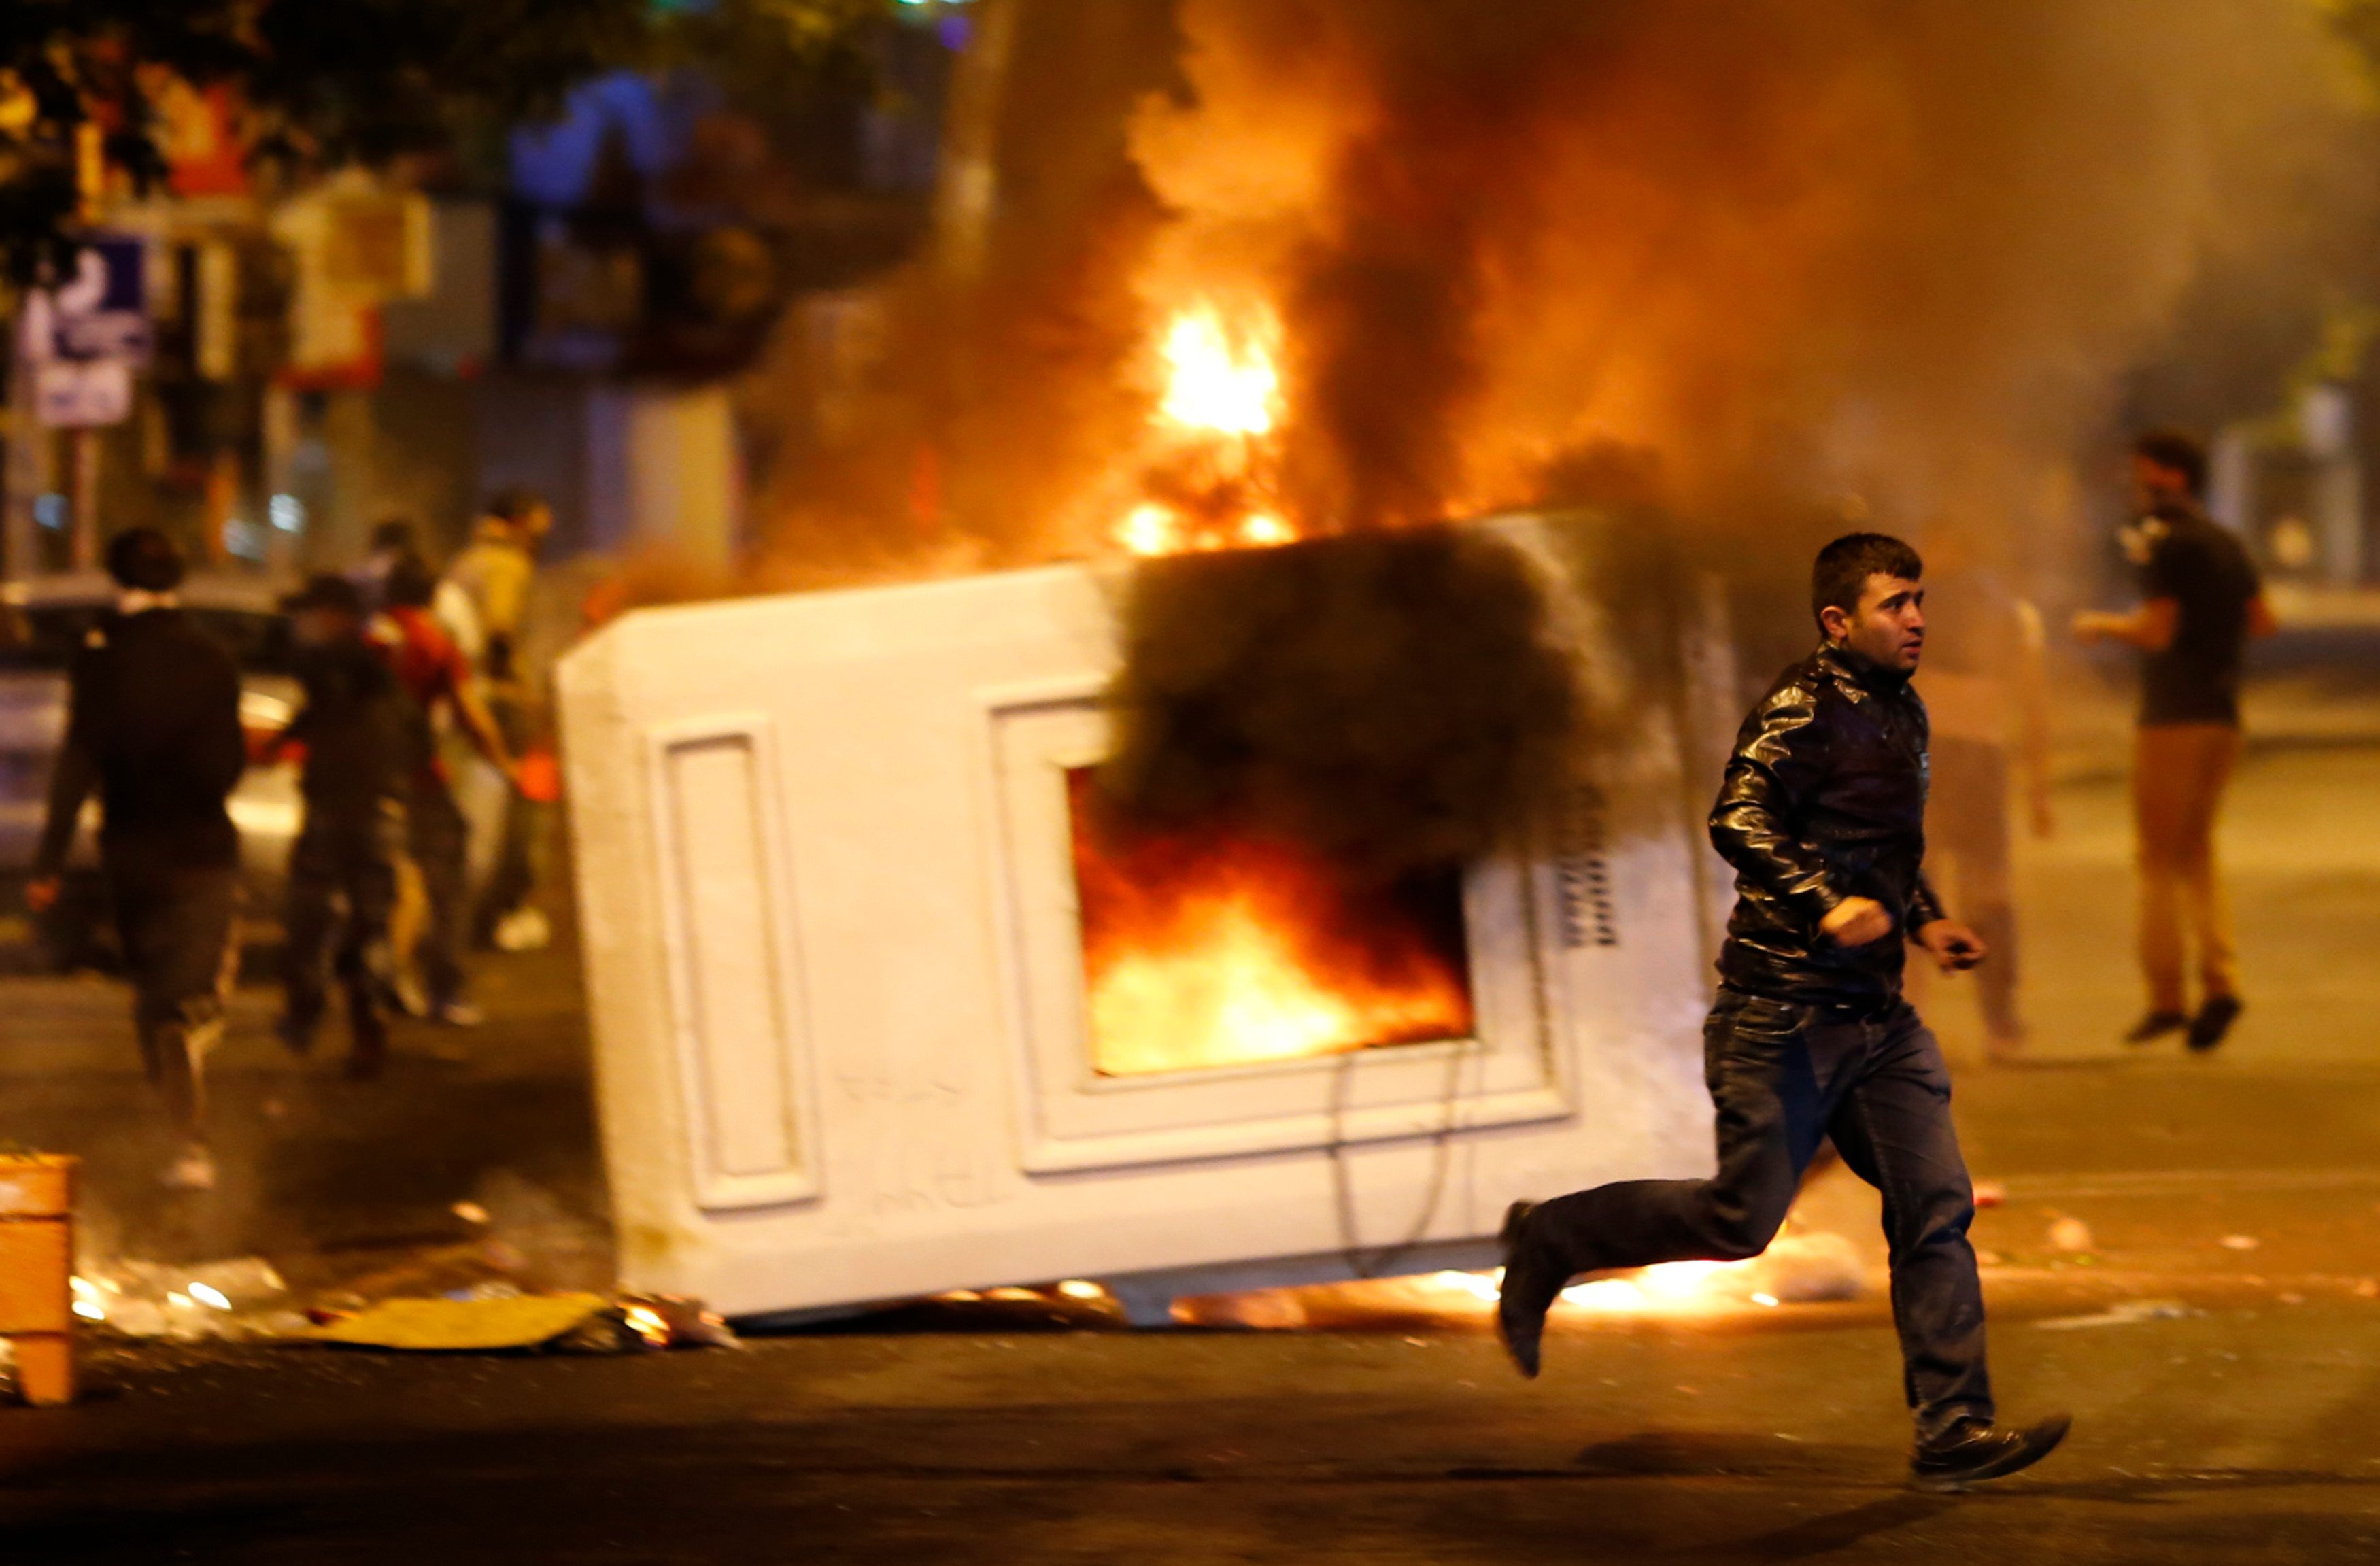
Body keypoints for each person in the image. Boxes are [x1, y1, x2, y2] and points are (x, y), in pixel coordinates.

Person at [1495, 533, 2069, 1493]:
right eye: (1895, 604)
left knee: (1936, 1206)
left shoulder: (1902, 708)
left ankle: (1954, 1426)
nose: (1918, 617)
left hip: (1880, 1021)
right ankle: (1550, 1236)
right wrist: (1822, 901)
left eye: (1920, 599)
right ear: (1838, 622)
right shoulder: (1803, 703)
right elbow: (1738, 814)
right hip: (1783, 1014)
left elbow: (1882, 847)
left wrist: (1926, 920)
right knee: (1739, 1220)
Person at [28, 529, 245, 1191]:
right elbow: (228, 760)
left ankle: (185, 1137)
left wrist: (50, 859)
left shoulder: (101, 660)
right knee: (197, 985)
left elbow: (78, 760)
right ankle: (191, 1080)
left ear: (114, 577)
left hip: (131, 848)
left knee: (153, 990)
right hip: (203, 845)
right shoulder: (212, 655)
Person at [2074, 430, 2276, 1053]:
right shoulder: (2225, 541)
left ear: (2171, 477)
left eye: (2143, 476)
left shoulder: (2164, 543)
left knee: (2158, 861)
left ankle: (2168, 997)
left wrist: (2102, 626)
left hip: (2171, 719)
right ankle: (2219, 983)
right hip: (2223, 716)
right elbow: (2264, 621)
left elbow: (2158, 630)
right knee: (2196, 854)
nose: (2136, 488)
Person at [265, 575, 415, 1080]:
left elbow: (326, 706)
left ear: (335, 614)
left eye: (310, 613)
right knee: (366, 921)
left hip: (341, 810)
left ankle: (310, 1016)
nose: (302, 624)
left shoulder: (334, 661)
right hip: (374, 808)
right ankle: (365, 1027)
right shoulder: (374, 668)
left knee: (312, 915)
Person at [1916, 531, 2056, 1062]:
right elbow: (2034, 705)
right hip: (1981, 759)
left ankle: (1907, 1018)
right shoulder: (2012, 614)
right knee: (1986, 894)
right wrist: (2039, 790)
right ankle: (2001, 1025)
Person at [371, 552, 520, 1026]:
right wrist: (504, 763)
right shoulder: (434, 642)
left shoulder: (366, 637)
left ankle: (381, 972)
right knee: (445, 878)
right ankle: (445, 989)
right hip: (416, 776)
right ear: (434, 596)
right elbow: (469, 713)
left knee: (391, 877)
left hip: (357, 779)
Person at [443, 488, 552, 951]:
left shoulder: (467, 560)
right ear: (521, 520)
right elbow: (501, 630)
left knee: (470, 814)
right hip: (496, 706)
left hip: (462, 702)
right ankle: (479, 921)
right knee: (504, 821)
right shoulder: (509, 564)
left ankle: (460, 919)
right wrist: (513, 690)